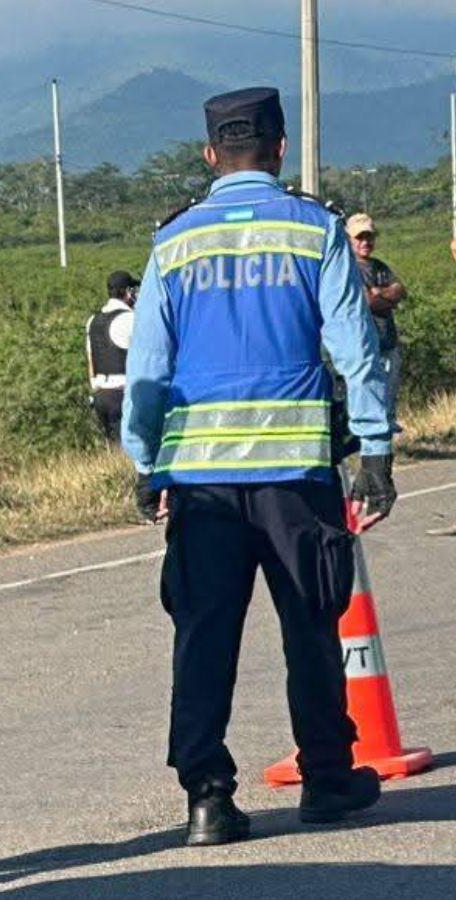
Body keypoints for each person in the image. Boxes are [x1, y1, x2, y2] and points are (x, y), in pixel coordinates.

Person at [121, 87, 397, 847]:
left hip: (200, 483)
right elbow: (355, 348)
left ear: (211, 154)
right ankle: (329, 778)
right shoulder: (315, 230)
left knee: (203, 635)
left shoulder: (174, 242)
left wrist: (146, 463)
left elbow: (148, 369)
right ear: (280, 148)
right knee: (311, 624)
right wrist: (375, 449)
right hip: (295, 476)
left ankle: (207, 799)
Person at [346, 213, 405, 430]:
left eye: (369, 237)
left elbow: (401, 290)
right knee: (369, 405)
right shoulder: (348, 268)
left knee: (388, 403)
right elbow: (368, 302)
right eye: (359, 237)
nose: (365, 242)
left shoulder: (380, 266)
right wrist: (386, 297)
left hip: (387, 343)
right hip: (364, 347)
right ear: (349, 238)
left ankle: (385, 445)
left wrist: (379, 293)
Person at [85, 270, 139, 441]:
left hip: (100, 396)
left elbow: (91, 360)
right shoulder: (131, 319)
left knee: (113, 447)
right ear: (127, 292)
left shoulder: (92, 321)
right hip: (122, 395)